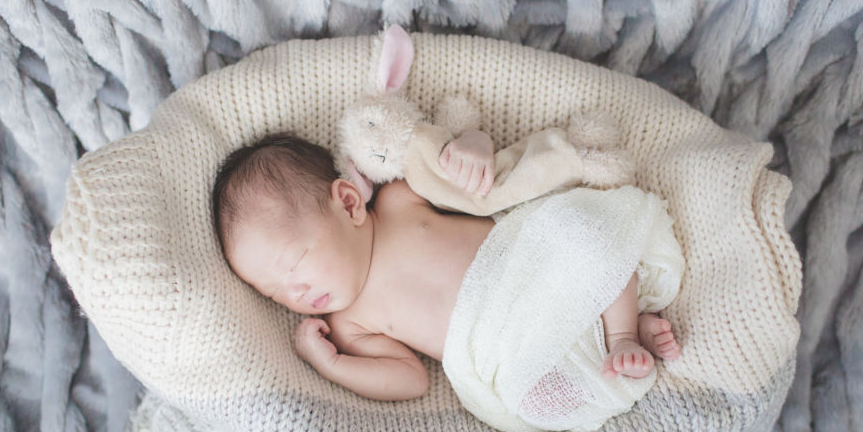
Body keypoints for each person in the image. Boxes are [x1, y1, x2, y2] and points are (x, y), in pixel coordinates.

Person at [211, 129, 680, 403]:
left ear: (348, 203)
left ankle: (621, 333)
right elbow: (410, 380)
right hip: (505, 344)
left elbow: (480, 187)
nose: (293, 295)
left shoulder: (398, 199)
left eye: (294, 264)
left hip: (529, 267)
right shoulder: (348, 325)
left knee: (586, 237)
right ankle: (609, 349)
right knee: (534, 395)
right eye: (273, 292)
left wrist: (472, 147)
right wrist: (331, 364)